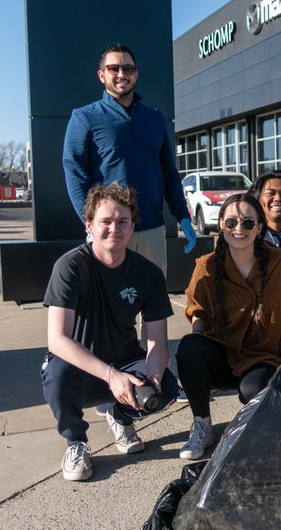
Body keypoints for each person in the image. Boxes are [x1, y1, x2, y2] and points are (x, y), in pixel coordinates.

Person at [41, 182, 181, 482]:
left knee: (167, 387)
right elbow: (57, 340)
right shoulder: (70, 267)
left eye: (123, 222)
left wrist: (154, 375)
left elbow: (157, 339)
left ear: (133, 227)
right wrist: (110, 376)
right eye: (106, 221)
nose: (114, 228)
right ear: (89, 225)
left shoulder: (148, 273)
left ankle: (121, 416)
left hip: (125, 362)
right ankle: (76, 442)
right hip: (80, 366)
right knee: (57, 377)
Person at [176, 193, 281, 459]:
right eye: (231, 222)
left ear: (259, 228)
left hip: (263, 356)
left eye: (247, 223)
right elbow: (196, 308)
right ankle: (201, 425)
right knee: (189, 347)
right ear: (220, 224)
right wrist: (198, 352)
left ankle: (254, 429)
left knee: (252, 392)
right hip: (222, 353)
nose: (238, 229)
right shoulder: (207, 266)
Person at [62, 43, 196, 277]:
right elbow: (75, 171)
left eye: (128, 68)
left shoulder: (155, 118)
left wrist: (183, 215)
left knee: (153, 306)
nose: (122, 74)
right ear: (101, 75)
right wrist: (91, 221)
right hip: (109, 229)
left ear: (137, 73)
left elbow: (169, 173)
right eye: (114, 69)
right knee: (108, 306)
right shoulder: (84, 117)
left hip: (152, 229)